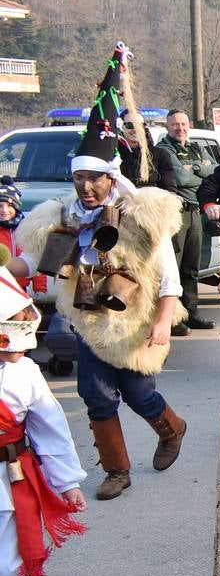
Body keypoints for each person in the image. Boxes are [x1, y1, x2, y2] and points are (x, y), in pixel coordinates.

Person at [8, 42, 190, 503]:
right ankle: (116, 470)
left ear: (111, 177)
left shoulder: (140, 217)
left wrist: (165, 320)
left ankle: (171, 428)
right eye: (79, 179)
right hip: (89, 323)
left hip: (133, 324)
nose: (87, 188)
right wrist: (8, 272)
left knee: (139, 393)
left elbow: (169, 276)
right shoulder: (61, 216)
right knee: (96, 395)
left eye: (95, 179)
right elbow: (31, 263)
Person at [0, 274, 87, 576]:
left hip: (8, 475)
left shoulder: (25, 374)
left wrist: (67, 481)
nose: (15, 355)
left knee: (10, 551)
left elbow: (50, 429)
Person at [152, 109, 216, 332]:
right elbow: (178, 177)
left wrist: (195, 167)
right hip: (175, 213)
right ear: (167, 127)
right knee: (172, 267)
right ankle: (172, 318)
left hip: (195, 210)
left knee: (191, 266)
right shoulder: (163, 149)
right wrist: (200, 173)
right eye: (175, 124)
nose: (180, 128)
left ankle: (191, 313)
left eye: (183, 124)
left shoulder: (196, 147)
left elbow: (216, 171)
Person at [0, 178, 33, 294]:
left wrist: (40, 288)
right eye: (0, 206)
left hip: (21, 288)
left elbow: (36, 259)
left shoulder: (26, 230)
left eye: (9, 206)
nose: (4, 210)